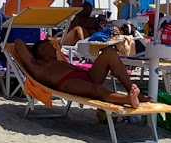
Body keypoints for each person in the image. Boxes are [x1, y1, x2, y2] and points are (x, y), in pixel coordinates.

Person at [9, 38, 143, 108]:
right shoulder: (36, 65)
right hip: (67, 82)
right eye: (49, 46)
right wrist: (34, 48)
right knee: (97, 90)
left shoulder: (57, 60)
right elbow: (18, 43)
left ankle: (132, 91)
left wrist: (49, 45)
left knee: (110, 53)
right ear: (41, 50)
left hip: (85, 75)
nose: (54, 47)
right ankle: (129, 99)